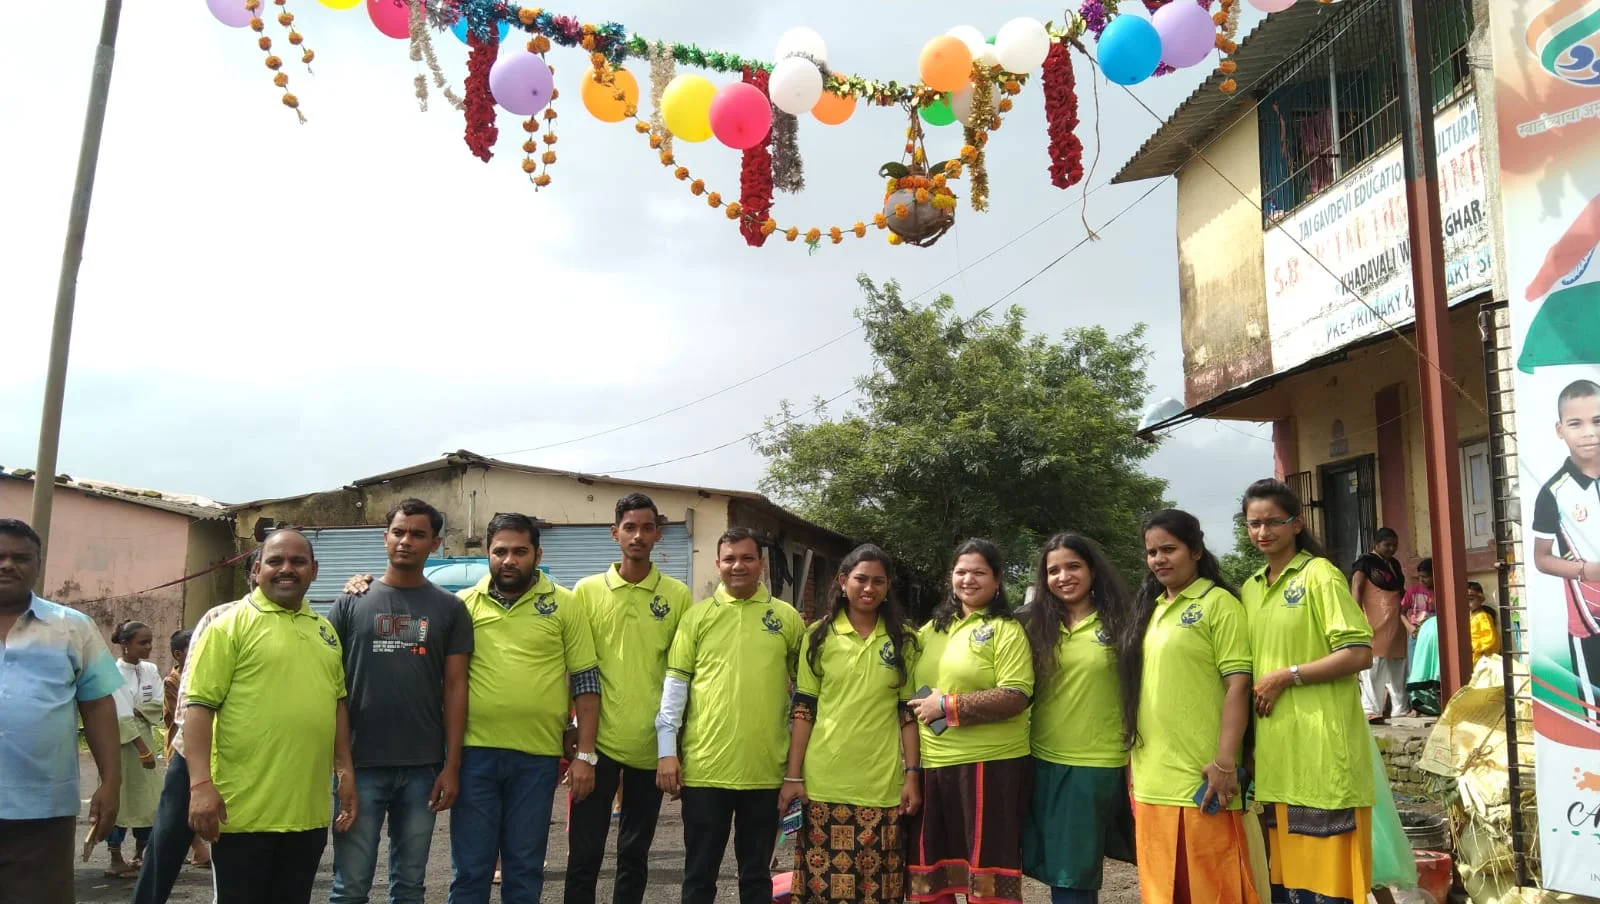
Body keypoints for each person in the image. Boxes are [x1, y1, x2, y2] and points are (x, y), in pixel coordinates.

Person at [185, 529, 358, 904]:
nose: (286, 569)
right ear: (256, 570)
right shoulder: (228, 627)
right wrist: (200, 786)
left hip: (307, 814)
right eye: (275, 561)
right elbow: (198, 708)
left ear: (314, 570)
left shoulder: (325, 631)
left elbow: (337, 704)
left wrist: (345, 772)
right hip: (242, 814)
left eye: (297, 562)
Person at [323, 499, 474, 904]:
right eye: (398, 532)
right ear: (385, 537)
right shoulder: (351, 601)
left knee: (410, 886)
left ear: (435, 543)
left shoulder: (450, 608)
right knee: (349, 886)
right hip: (360, 766)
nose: (406, 541)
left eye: (418, 534)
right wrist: (341, 767)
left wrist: (451, 766)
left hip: (423, 768)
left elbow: (456, 688)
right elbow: (330, 685)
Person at [1240, 479, 1377, 904]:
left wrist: (1288, 675)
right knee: (1285, 885)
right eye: (1253, 524)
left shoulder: (1319, 575)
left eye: (1273, 523)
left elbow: (1359, 652)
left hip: (1322, 756)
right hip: (1278, 761)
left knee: (1328, 889)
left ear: (1296, 523)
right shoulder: (1250, 588)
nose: (1263, 532)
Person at [450, 512, 599, 904]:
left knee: (524, 868)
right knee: (471, 870)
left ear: (537, 553)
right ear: (487, 553)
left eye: (520, 551)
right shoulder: (462, 605)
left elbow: (585, 679)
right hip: (473, 755)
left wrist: (585, 754)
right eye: (500, 551)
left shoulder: (565, 604)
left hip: (537, 757)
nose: (509, 560)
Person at [655, 527, 804, 904]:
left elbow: (806, 695)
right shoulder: (697, 617)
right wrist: (667, 750)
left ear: (762, 564)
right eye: (730, 559)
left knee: (755, 878)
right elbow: (675, 688)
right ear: (717, 564)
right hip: (705, 770)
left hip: (765, 771)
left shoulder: (786, 618)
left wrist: (796, 768)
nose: (738, 566)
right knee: (699, 876)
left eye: (747, 558)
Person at [566, 494, 693, 904]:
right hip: (596, 744)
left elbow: (683, 675)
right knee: (584, 852)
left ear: (658, 534)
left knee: (634, 853)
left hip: (650, 745)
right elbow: (573, 668)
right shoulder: (584, 592)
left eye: (647, 527)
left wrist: (675, 748)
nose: (638, 535)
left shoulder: (677, 596)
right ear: (614, 532)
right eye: (630, 527)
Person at [779, 544, 922, 904]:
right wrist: (793, 777)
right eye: (860, 579)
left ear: (889, 587)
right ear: (843, 580)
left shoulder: (905, 641)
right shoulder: (818, 637)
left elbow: (908, 714)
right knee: (822, 892)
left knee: (881, 892)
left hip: (882, 786)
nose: (868, 588)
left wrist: (912, 776)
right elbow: (803, 711)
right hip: (823, 784)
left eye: (878, 581)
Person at [1128, 510, 1257, 904]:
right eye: (1151, 552)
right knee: (1162, 892)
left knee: (1214, 890)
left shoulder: (1219, 604)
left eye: (1169, 549)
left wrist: (1224, 762)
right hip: (1152, 779)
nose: (1159, 560)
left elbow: (1239, 685)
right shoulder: (1149, 609)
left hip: (1202, 778)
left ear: (1196, 550)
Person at [0, 518, 123, 904]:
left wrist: (111, 783)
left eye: (20, 557)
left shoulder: (72, 628)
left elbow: (98, 705)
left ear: (38, 564)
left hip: (42, 810)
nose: (7, 565)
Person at [905, 538, 1034, 904]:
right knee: (933, 881)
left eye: (979, 572)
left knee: (988, 883)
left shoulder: (1006, 630)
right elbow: (908, 694)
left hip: (990, 766)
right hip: (933, 766)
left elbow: (1015, 697)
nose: (969, 580)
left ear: (997, 581)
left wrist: (948, 704)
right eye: (961, 572)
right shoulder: (929, 632)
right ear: (951, 577)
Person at [1018, 533, 1139, 904]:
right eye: (1053, 570)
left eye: (1073, 566)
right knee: (1061, 872)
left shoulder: (1124, 621)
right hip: (1042, 759)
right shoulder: (1029, 624)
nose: (1063, 576)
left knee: (1078, 874)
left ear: (1092, 570)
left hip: (1099, 761)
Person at [132, 598, 243, 904]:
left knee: (237, 846)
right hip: (196, 748)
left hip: (248, 753)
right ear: (255, 574)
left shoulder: (295, 622)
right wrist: (199, 777)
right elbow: (188, 696)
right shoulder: (220, 616)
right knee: (167, 842)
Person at [1532, 379, 1600, 721]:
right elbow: (1541, 558)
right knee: (1596, 717)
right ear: (1561, 430)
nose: (1589, 432)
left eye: (1597, 421)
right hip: (1589, 620)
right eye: (1576, 423)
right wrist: (1586, 571)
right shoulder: (1553, 492)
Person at [105, 620, 164, 879]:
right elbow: (120, 714)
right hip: (118, 744)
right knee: (117, 799)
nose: (149, 647)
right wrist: (142, 749)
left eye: (150, 641)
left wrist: (137, 710)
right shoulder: (111, 672)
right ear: (125, 645)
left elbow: (159, 704)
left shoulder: (150, 669)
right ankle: (115, 857)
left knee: (147, 800)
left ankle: (140, 854)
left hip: (146, 738)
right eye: (143, 642)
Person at [1351, 529, 1410, 721]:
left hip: (1395, 619)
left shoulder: (1394, 564)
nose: (1391, 549)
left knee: (1398, 663)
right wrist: (1356, 614)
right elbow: (1357, 588)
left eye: (1394, 545)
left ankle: (1400, 709)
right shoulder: (1365, 562)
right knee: (1374, 664)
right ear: (1376, 545)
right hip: (1375, 619)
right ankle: (1370, 709)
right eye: (1387, 545)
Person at [1400, 558, 1435, 664]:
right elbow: (1401, 612)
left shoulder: (1442, 590)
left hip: (1434, 636)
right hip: (1416, 635)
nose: (1421, 580)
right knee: (1414, 668)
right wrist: (1409, 627)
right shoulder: (1413, 591)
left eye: (1425, 577)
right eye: (1419, 576)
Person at [1466, 581, 1501, 667]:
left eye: (1471, 599)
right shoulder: (1468, 616)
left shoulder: (1482, 616)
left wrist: (1473, 647)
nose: (1467, 603)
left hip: (1480, 659)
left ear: (1481, 599)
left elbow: (1489, 638)